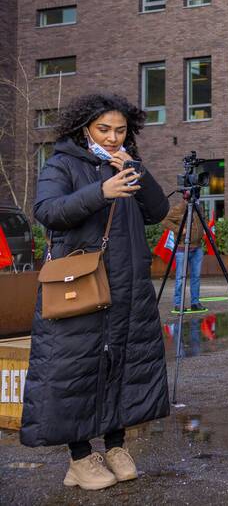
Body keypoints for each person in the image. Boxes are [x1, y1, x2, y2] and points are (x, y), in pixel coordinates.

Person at [22, 93, 170, 490]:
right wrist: (101, 192)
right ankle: (80, 456)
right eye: (104, 129)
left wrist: (137, 172)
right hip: (81, 285)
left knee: (122, 363)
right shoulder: (62, 163)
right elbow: (48, 211)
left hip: (128, 287)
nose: (112, 137)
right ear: (84, 127)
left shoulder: (126, 161)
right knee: (76, 369)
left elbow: (156, 212)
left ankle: (117, 445)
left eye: (120, 130)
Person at [162, 197, 205, 312]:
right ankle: (178, 304)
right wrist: (179, 229)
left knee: (196, 277)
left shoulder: (199, 208)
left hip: (197, 247)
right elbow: (165, 221)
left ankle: (195, 303)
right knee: (180, 278)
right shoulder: (179, 208)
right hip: (182, 248)